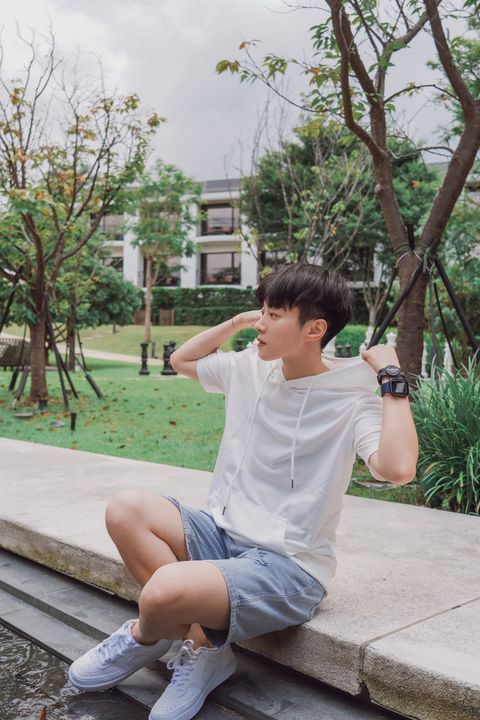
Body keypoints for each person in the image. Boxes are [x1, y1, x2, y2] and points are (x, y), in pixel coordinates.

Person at [69, 263, 418, 720]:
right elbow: (182, 361)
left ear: (314, 329)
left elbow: (398, 469)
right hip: (223, 534)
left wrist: (391, 377)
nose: (260, 324)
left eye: (274, 315)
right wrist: (237, 321)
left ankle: (147, 636)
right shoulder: (251, 368)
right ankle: (204, 646)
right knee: (126, 509)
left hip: (288, 567)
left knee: (161, 592)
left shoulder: (351, 400)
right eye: (262, 311)